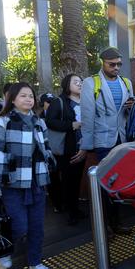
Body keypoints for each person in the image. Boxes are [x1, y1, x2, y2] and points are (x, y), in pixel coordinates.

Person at [0, 82, 55, 269]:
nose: (28, 99)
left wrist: (50, 162)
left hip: (37, 181)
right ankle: (3, 250)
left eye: (31, 96)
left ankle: (35, 261)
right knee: (19, 225)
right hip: (12, 182)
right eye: (23, 96)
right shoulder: (2, 121)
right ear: (12, 99)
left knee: (37, 226)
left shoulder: (39, 122)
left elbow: (47, 147)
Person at [80, 47, 135, 234]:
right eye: (112, 64)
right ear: (102, 62)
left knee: (118, 183)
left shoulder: (126, 83)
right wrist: (86, 146)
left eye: (119, 64)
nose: (116, 67)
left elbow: (129, 113)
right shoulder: (91, 83)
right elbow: (87, 117)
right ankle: (104, 225)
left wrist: (132, 106)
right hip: (103, 141)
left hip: (122, 139)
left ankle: (116, 222)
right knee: (105, 184)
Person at [45, 74, 87, 225]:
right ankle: (70, 212)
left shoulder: (86, 100)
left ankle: (75, 209)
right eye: (76, 82)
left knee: (76, 179)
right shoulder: (59, 101)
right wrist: (71, 125)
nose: (80, 84)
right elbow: (49, 121)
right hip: (66, 148)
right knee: (68, 180)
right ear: (66, 85)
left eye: (81, 81)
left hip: (83, 146)